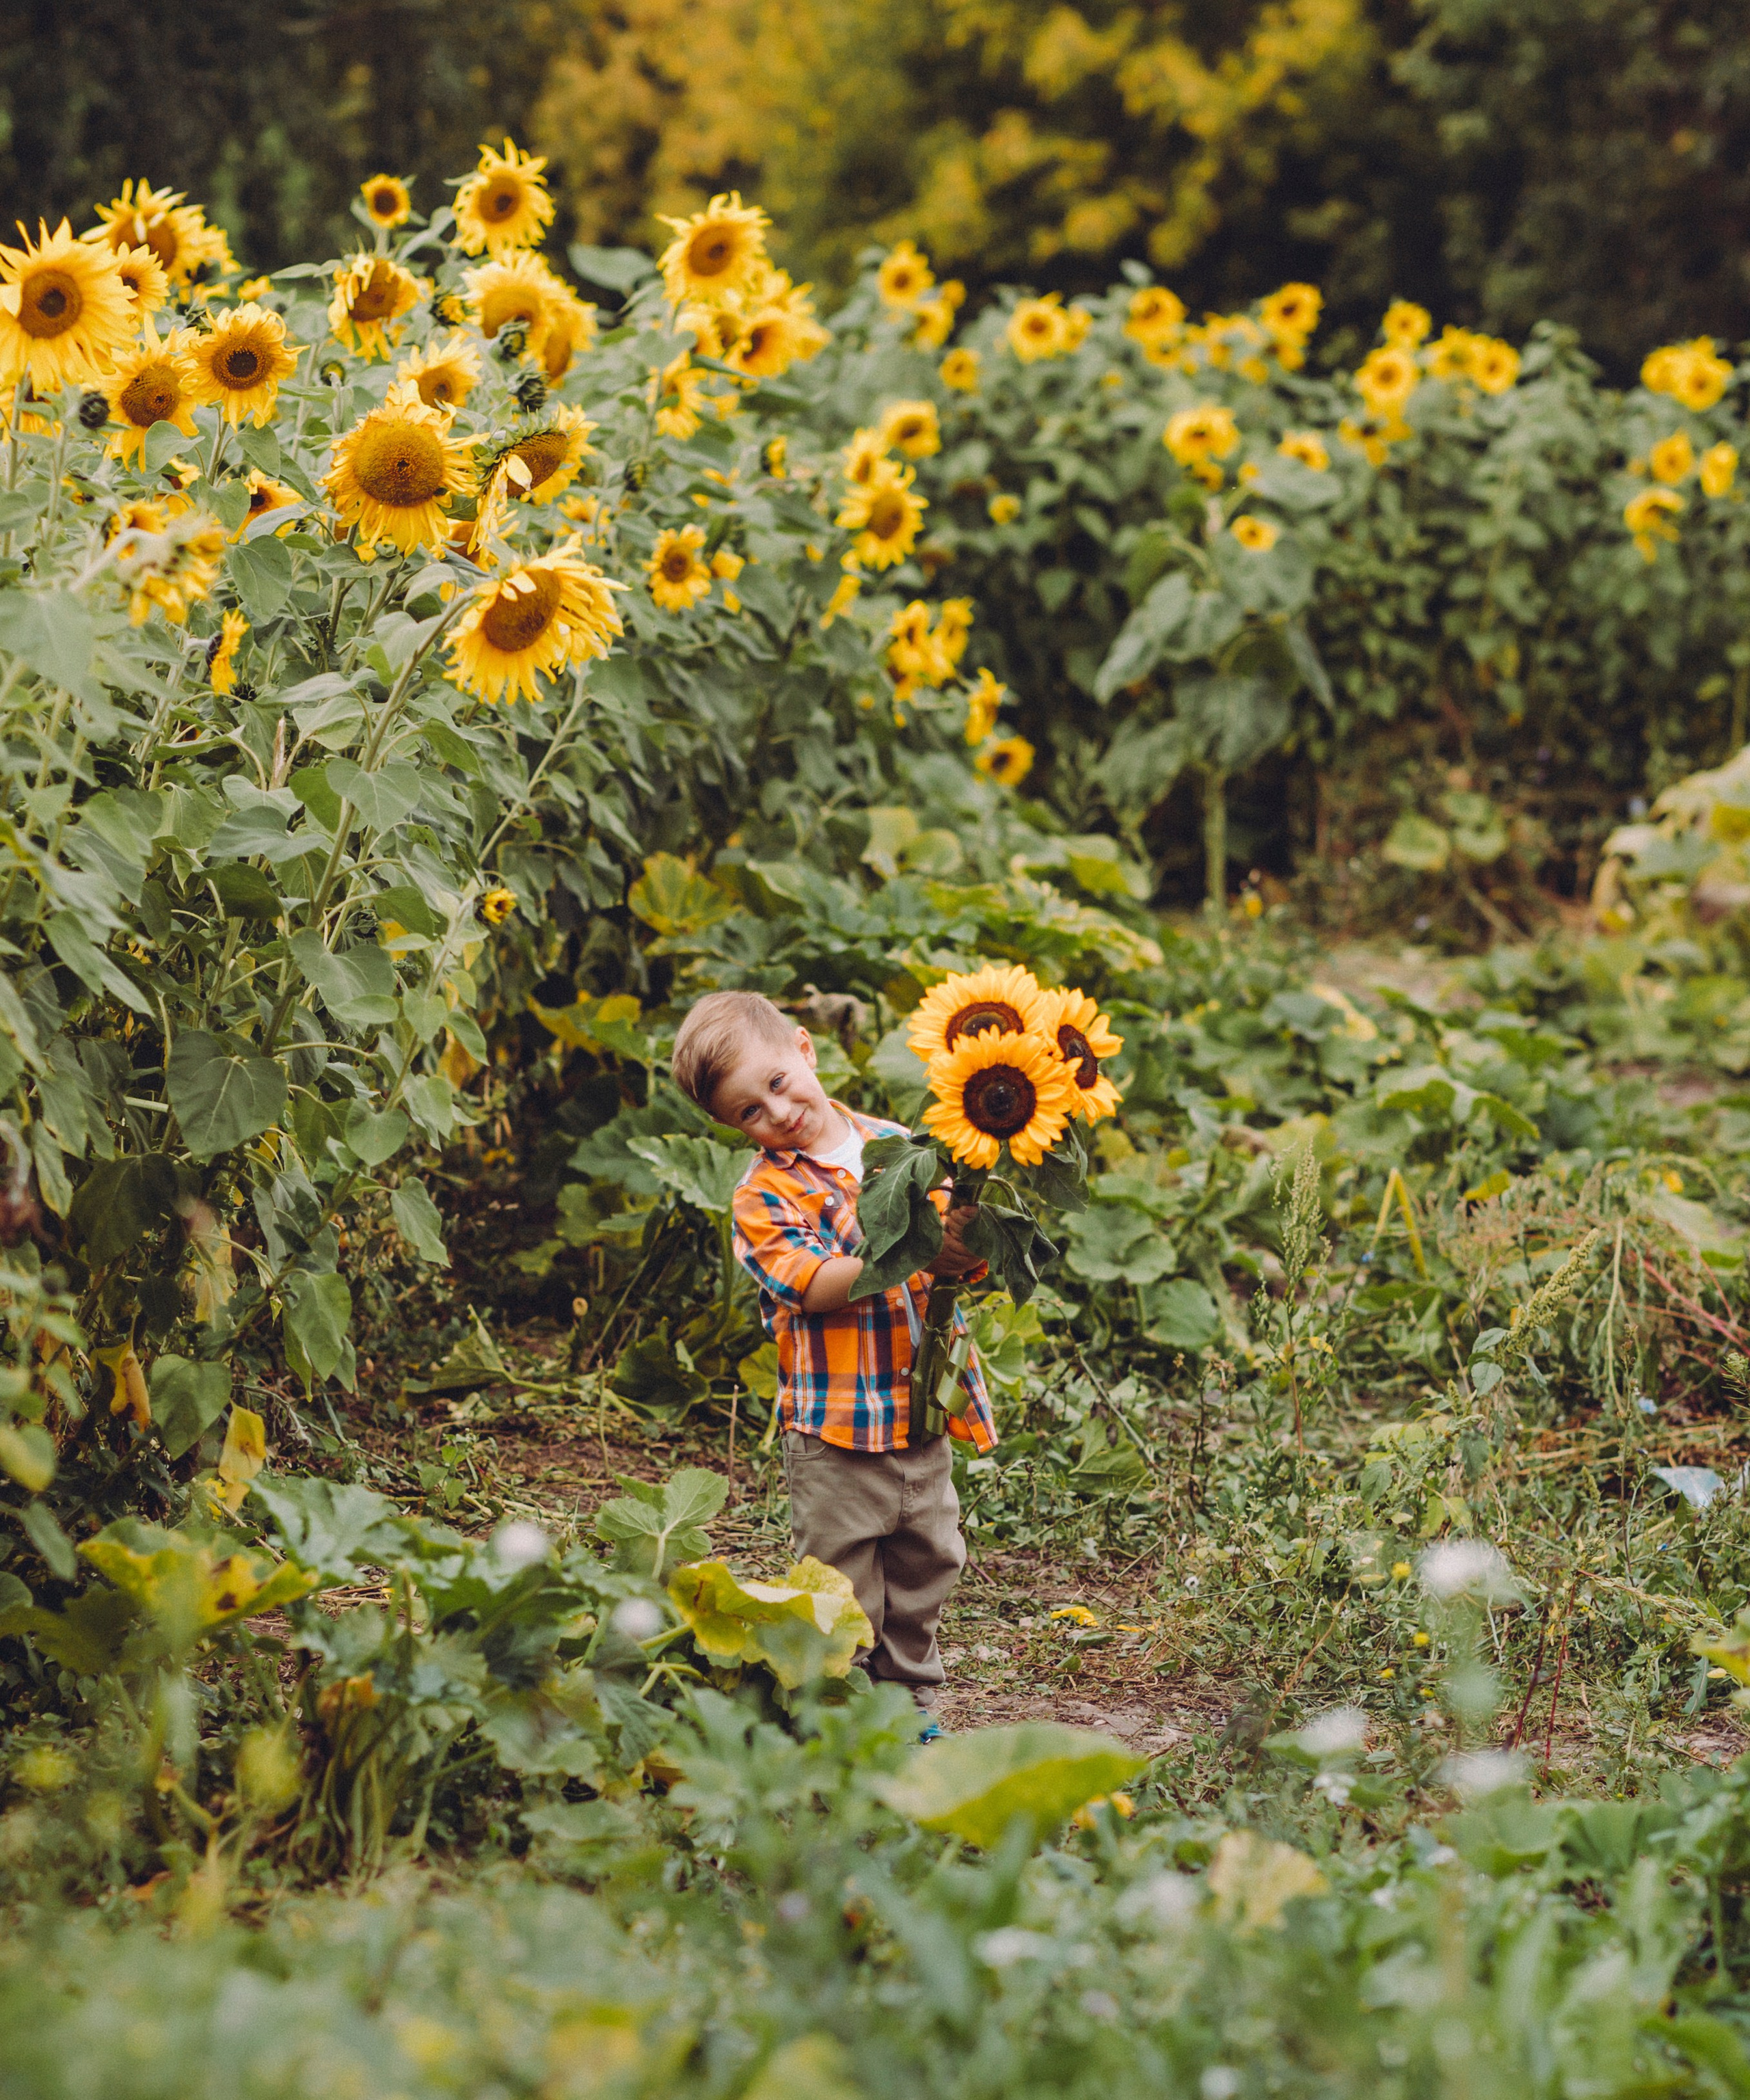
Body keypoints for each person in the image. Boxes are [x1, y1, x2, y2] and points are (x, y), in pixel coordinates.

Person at [670, 988, 993, 1734]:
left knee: (929, 1559)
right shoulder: (763, 1196)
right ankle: (840, 1713)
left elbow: (951, 1260)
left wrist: (965, 1247)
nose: (777, 1114)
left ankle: (908, 1697)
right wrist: (908, 1251)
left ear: (805, 1052)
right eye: (750, 1111)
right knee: (840, 1581)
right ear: (730, 1127)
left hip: (919, 1410)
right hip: (835, 1429)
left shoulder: (901, 1146)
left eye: (777, 1085)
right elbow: (809, 1284)